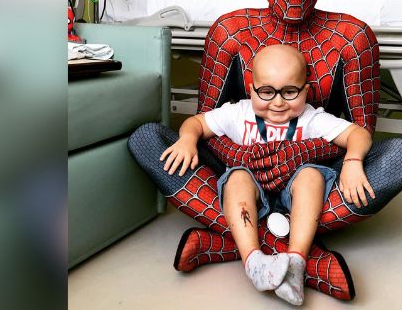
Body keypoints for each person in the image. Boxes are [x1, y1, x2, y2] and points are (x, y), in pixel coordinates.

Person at [128, 0, 402, 301]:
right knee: (147, 139)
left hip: (315, 177)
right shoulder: (229, 31)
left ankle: (235, 244)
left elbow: (360, 131)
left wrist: (299, 154)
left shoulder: (353, 37)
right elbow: (204, 128)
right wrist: (244, 156)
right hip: (241, 171)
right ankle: (298, 255)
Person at [159, 45, 373, 305]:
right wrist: (187, 140)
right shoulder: (239, 112)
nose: (278, 102)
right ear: (251, 90)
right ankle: (254, 261)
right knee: (236, 177)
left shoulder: (310, 118)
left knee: (311, 176)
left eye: (290, 92)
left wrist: (352, 161)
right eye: (267, 92)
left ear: (306, 91)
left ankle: (296, 262)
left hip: (293, 197)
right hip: (251, 195)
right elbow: (196, 123)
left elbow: (358, 134)